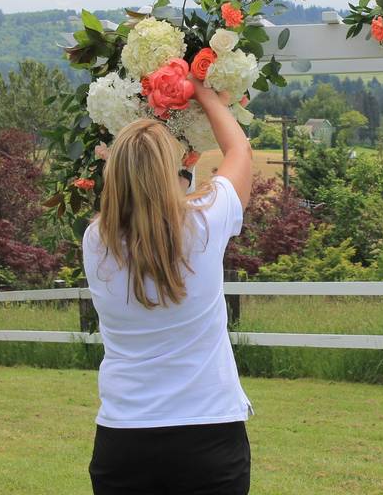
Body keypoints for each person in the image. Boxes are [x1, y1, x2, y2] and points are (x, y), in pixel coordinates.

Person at [82, 75, 253, 494]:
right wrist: (203, 94)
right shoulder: (204, 222)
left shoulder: (96, 241)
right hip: (209, 431)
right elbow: (239, 150)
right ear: (171, 171)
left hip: (125, 438)